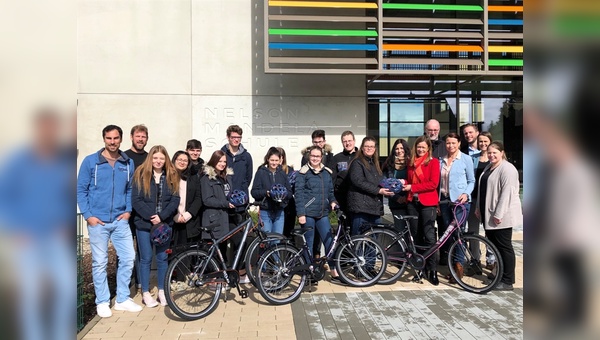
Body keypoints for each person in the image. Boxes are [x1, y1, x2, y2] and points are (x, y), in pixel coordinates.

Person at [77, 124, 143, 317]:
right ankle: (103, 302)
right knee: (99, 262)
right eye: (109, 138)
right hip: (98, 222)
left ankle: (122, 298)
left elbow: (130, 189)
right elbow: (81, 190)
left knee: (128, 258)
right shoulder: (91, 162)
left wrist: (128, 210)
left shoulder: (127, 162)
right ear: (104, 139)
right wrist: (89, 216)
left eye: (116, 138)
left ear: (121, 139)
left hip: (120, 220)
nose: (112, 142)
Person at [131, 145, 180, 307]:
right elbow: (136, 200)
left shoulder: (171, 175)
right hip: (144, 225)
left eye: (161, 158)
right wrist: (151, 217)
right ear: (150, 158)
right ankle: (145, 292)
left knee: (162, 258)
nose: (158, 161)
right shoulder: (140, 174)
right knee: (145, 258)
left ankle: (162, 291)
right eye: (155, 158)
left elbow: (175, 200)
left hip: (164, 225)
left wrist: (161, 216)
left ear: (165, 159)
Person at [475, 141, 522, 291]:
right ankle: (499, 274)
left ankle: (507, 281)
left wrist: (499, 214)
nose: (491, 155)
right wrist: (478, 208)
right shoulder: (489, 166)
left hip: (501, 216)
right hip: (489, 215)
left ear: (502, 153)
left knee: (504, 247)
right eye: (489, 152)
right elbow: (482, 189)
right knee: (495, 247)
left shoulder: (507, 169)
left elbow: (507, 194)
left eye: (495, 152)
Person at [200, 150, 250, 282]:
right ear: (213, 161)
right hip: (216, 218)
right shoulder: (207, 178)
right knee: (219, 250)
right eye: (219, 161)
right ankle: (217, 279)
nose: (222, 164)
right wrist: (226, 204)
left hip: (230, 217)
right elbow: (207, 200)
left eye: (224, 162)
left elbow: (230, 194)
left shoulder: (227, 177)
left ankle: (236, 271)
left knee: (241, 242)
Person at [295, 146, 339, 283]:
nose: (315, 158)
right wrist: (301, 213)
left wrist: (333, 201)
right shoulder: (303, 173)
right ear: (309, 157)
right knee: (308, 243)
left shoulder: (326, 173)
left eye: (317, 156)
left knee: (329, 242)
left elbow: (331, 192)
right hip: (307, 214)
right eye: (313, 156)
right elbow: (299, 194)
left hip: (322, 214)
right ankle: (309, 272)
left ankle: (333, 270)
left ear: (321, 157)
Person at [402, 135, 441, 285]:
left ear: (428, 148)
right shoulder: (411, 162)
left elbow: (433, 184)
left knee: (429, 237)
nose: (420, 149)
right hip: (413, 203)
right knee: (416, 237)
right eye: (419, 147)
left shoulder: (433, 162)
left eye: (423, 147)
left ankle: (433, 270)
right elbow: (410, 181)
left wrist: (413, 187)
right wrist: (402, 183)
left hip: (428, 203)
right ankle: (420, 268)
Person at [437, 132, 475, 282]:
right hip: (445, 202)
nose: (450, 146)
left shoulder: (466, 159)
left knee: (458, 234)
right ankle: (452, 266)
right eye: (448, 143)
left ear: (459, 143)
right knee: (448, 234)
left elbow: (471, 181)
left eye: (453, 143)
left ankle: (459, 267)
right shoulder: (441, 160)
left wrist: (466, 193)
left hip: (460, 202)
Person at [220, 125, 253, 281]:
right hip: (224, 207)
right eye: (233, 137)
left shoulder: (246, 156)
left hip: (240, 206)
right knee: (222, 240)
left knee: (239, 241)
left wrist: (242, 197)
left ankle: (238, 271)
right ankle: (222, 272)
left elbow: (247, 178)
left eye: (238, 138)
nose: (236, 140)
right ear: (228, 137)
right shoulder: (222, 154)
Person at [346, 136, 394, 236]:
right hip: (361, 208)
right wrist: (378, 191)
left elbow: (380, 182)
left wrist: (391, 186)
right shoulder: (357, 163)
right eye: (366, 146)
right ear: (362, 148)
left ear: (375, 149)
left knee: (373, 242)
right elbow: (358, 181)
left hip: (374, 208)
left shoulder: (375, 165)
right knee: (360, 240)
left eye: (372, 146)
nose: (369, 148)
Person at [300, 129, 335, 257]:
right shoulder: (305, 158)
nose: (318, 144)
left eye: (320, 141)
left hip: (324, 203)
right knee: (310, 239)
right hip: (310, 205)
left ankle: (324, 262)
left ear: (324, 141)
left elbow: (331, 178)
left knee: (326, 237)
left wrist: (331, 199)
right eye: (315, 142)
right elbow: (302, 186)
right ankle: (312, 263)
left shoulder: (330, 157)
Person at [123, 124, 149, 291]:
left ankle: (140, 282)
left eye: (143, 136)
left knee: (141, 248)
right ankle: (123, 286)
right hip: (126, 211)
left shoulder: (149, 158)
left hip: (143, 211)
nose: (140, 139)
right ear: (131, 137)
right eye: (138, 136)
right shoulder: (124, 157)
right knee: (124, 251)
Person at [467, 131, 496, 268]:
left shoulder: (495, 158)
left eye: (486, 141)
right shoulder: (473, 158)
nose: (483, 144)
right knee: (473, 231)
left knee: (490, 231)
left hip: (489, 201)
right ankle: (475, 259)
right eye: (481, 141)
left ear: (490, 142)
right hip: (473, 200)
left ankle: (491, 259)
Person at [251, 147, 292, 234]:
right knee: (266, 239)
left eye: (276, 160)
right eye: (272, 160)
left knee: (277, 239)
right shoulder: (261, 172)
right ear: (267, 159)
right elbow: (254, 192)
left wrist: (283, 194)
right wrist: (266, 193)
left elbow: (289, 192)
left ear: (280, 160)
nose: (274, 163)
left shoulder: (282, 173)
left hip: (279, 211)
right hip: (265, 211)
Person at [171, 150, 203, 245]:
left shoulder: (193, 177)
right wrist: (175, 216)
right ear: (174, 160)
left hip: (190, 221)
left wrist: (188, 215)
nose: (182, 162)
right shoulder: (168, 177)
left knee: (189, 254)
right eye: (179, 159)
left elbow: (198, 198)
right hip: (172, 221)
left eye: (185, 161)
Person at [382, 138, 411, 231]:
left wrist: (406, 197)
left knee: (413, 231)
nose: (399, 151)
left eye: (402, 148)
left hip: (410, 203)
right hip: (396, 203)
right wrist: (397, 198)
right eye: (397, 148)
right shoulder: (389, 164)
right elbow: (384, 183)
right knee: (400, 230)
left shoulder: (411, 163)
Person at [332, 130, 358, 213]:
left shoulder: (361, 157)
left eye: (349, 140)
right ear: (342, 143)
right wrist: (332, 199)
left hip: (357, 198)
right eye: (345, 141)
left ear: (354, 141)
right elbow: (332, 179)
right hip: (341, 197)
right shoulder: (336, 158)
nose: (347, 143)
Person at [277, 146, 297, 238]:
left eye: (280, 157)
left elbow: (293, 188)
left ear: (283, 158)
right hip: (276, 206)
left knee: (289, 233)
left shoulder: (290, 170)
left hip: (289, 206)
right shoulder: (268, 170)